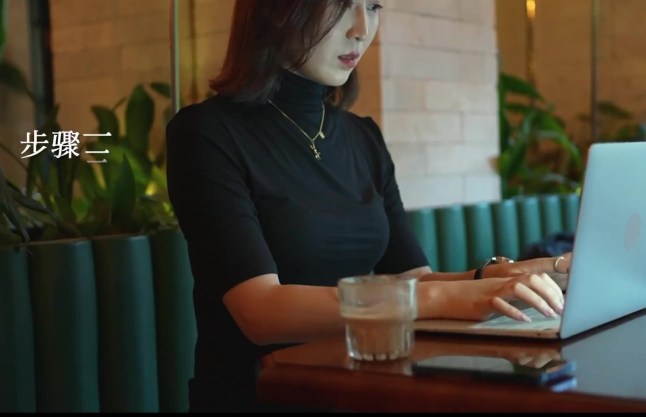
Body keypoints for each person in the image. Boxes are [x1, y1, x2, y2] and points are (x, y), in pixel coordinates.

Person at [165, 0, 571, 412]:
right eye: (341, 5)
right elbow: (261, 312)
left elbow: (414, 280)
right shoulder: (205, 133)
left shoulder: (363, 138)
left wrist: (507, 276)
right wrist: (454, 298)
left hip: (356, 389)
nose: (362, 28)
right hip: (261, 394)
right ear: (278, 9)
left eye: (373, 6)